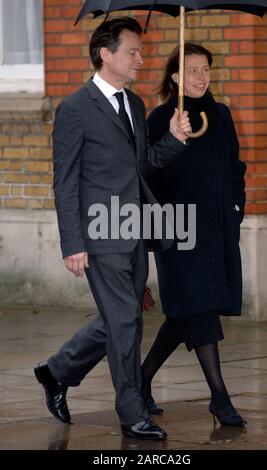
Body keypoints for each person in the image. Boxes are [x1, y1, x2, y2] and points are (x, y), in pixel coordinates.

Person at [34, 17, 191, 440]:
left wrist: (174, 139)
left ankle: (57, 370)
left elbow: (142, 168)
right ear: (106, 54)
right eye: (133, 52)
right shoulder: (75, 109)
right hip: (99, 234)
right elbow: (64, 180)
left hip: (135, 229)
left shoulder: (134, 105)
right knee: (123, 322)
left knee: (123, 318)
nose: (141, 59)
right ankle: (132, 411)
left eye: (141, 51)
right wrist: (73, 242)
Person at [141, 43, 247, 427]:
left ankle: (140, 378)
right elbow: (147, 174)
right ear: (175, 77)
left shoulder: (220, 115)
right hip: (178, 232)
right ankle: (220, 398)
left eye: (205, 70)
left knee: (187, 310)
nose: (201, 77)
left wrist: (236, 209)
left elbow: (236, 168)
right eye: (192, 71)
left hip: (217, 230)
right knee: (198, 308)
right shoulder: (161, 118)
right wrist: (174, 137)